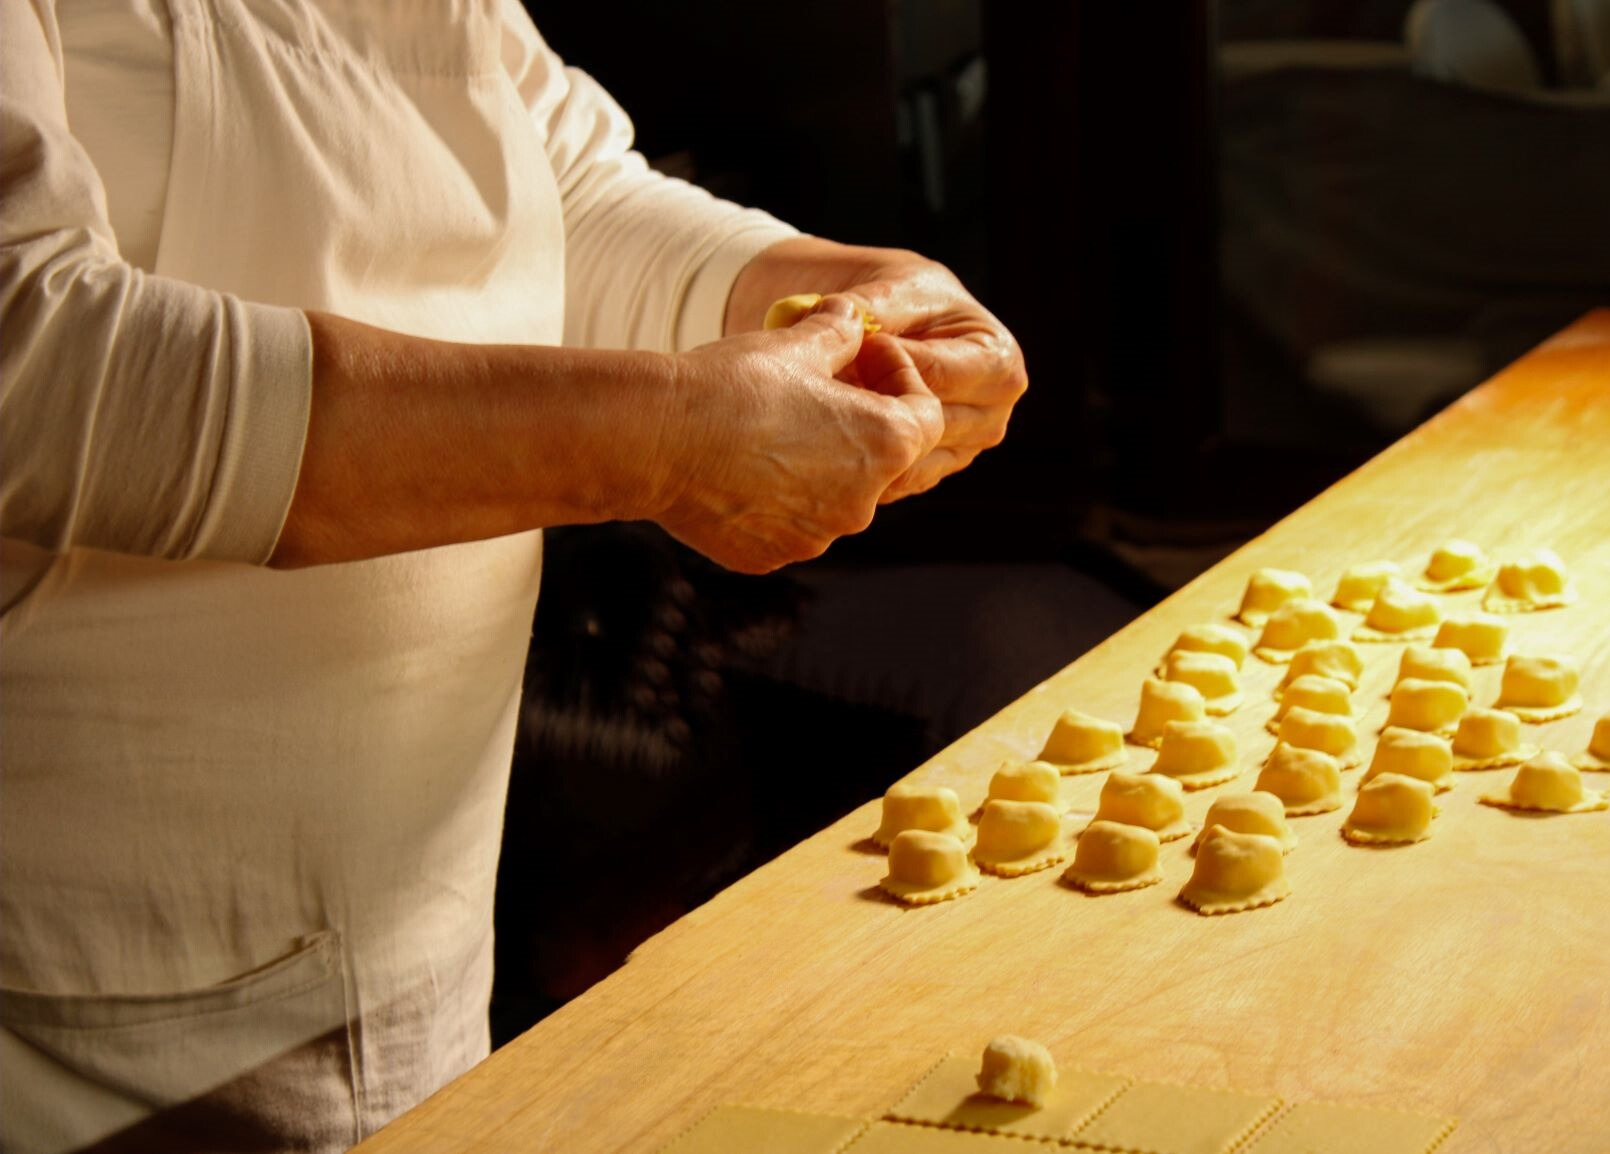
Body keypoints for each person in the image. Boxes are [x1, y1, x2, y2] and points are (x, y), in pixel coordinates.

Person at [0, 1, 1026, 1149]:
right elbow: (25, 358)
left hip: (420, 909)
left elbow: (555, 192)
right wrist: (668, 439)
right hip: (72, 998)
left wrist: (841, 297)